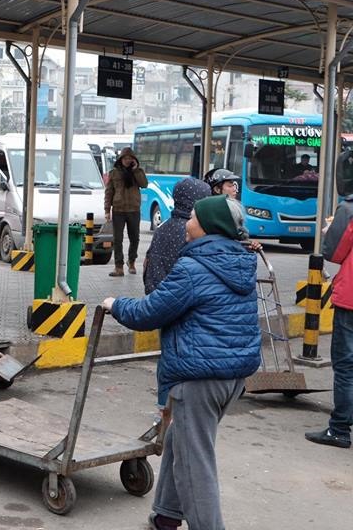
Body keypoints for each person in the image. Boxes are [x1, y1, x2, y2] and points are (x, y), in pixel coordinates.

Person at [102, 195, 260, 530]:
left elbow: (149, 312)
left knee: (195, 465)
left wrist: (114, 304)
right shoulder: (240, 261)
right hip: (232, 377)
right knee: (181, 442)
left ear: (207, 227)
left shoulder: (194, 268)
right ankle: (166, 516)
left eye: (192, 218)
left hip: (199, 377)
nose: (186, 223)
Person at [305, 193, 353, 449]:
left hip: (351, 300)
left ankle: (340, 429)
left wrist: (329, 230)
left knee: (346, 364)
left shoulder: (349, 209)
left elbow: (335, 252)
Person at [142, 177, 211, 295]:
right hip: (178, 299)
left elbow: (147, 263)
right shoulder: (194, 230)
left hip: (154, 294)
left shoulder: (162, 227)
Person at [104, 146, 147, 276]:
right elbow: (109, 192)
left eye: (130, 158)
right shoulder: (114, 173)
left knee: (135, 238)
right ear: (120, 159)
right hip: (118, 210)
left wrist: (136, 170)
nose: (127, 160)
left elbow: (144, 184)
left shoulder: (137, 172)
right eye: (125, 158)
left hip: (134, 209)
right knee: (118, 239)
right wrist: (107, 210)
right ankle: (118, 267)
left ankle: (132, 262)